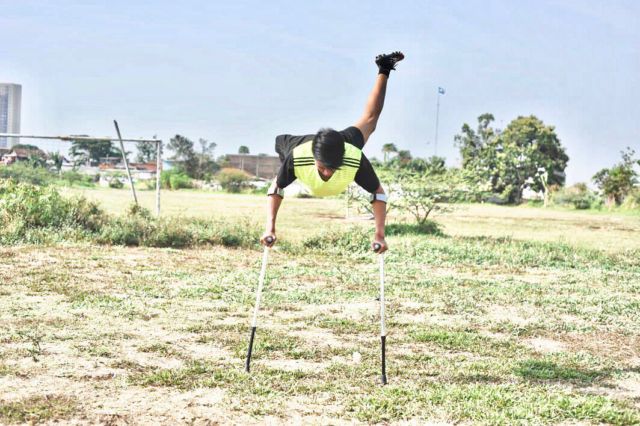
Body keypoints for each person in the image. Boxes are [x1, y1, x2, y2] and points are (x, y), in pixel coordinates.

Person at [260, 51, 405, 254]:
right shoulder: (298, 156)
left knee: (370, 120)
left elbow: (378, 192)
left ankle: (385, 67)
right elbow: (276, 188)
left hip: (338, 142)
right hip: (298, 146)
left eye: (333, 168)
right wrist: (270, 228)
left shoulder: (352, 156)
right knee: (283, 151)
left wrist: (379, 234)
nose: (328, 173)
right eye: (323, 168)